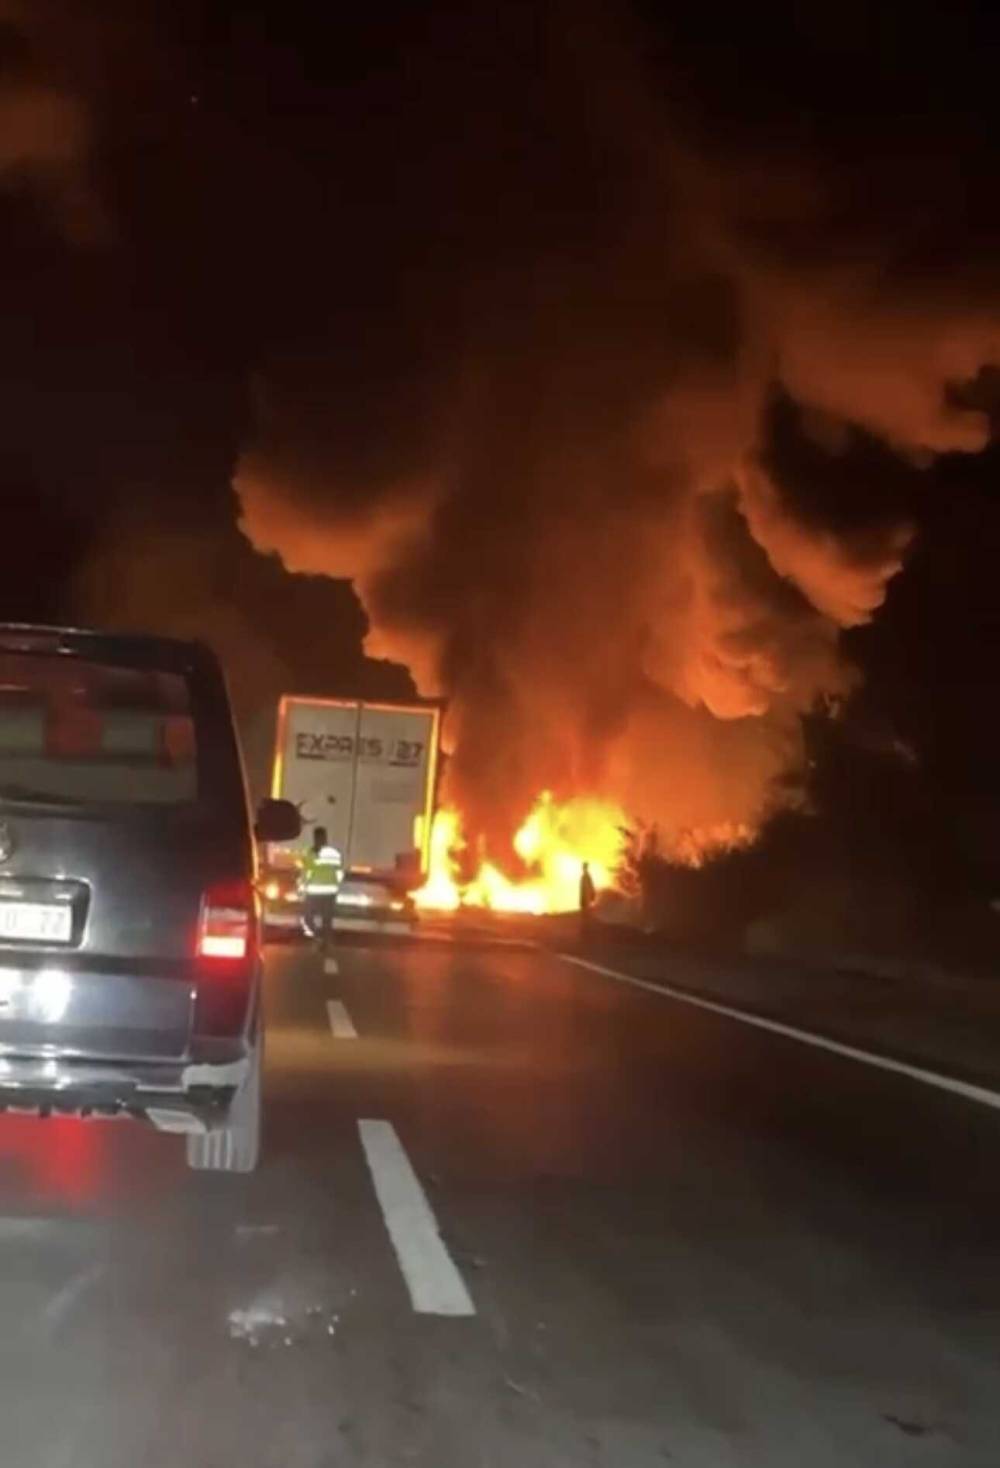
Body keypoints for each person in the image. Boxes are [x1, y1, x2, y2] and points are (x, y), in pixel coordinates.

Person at [299, 825, 344, 950]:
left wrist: (302, 888)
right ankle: (324, 941)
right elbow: (339, 873)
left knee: (311, 918)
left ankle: (321, 939)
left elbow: (306, 873)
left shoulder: (311, 853)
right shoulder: (333, 853)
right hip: (326, 892)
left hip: (316, 892)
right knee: (324, 919)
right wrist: (336, 885)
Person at [579, 860, 596, 943]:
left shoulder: (587, 877)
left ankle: (587, 930)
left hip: (586, 898)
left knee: (586, 914)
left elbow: (590, 887)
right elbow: (582, 889)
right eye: (583, 867)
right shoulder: (584, 877)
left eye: (584, 867)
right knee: (585, 914)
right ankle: (586, 930)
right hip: (585, 898)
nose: (583, 869)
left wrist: (592, 895)